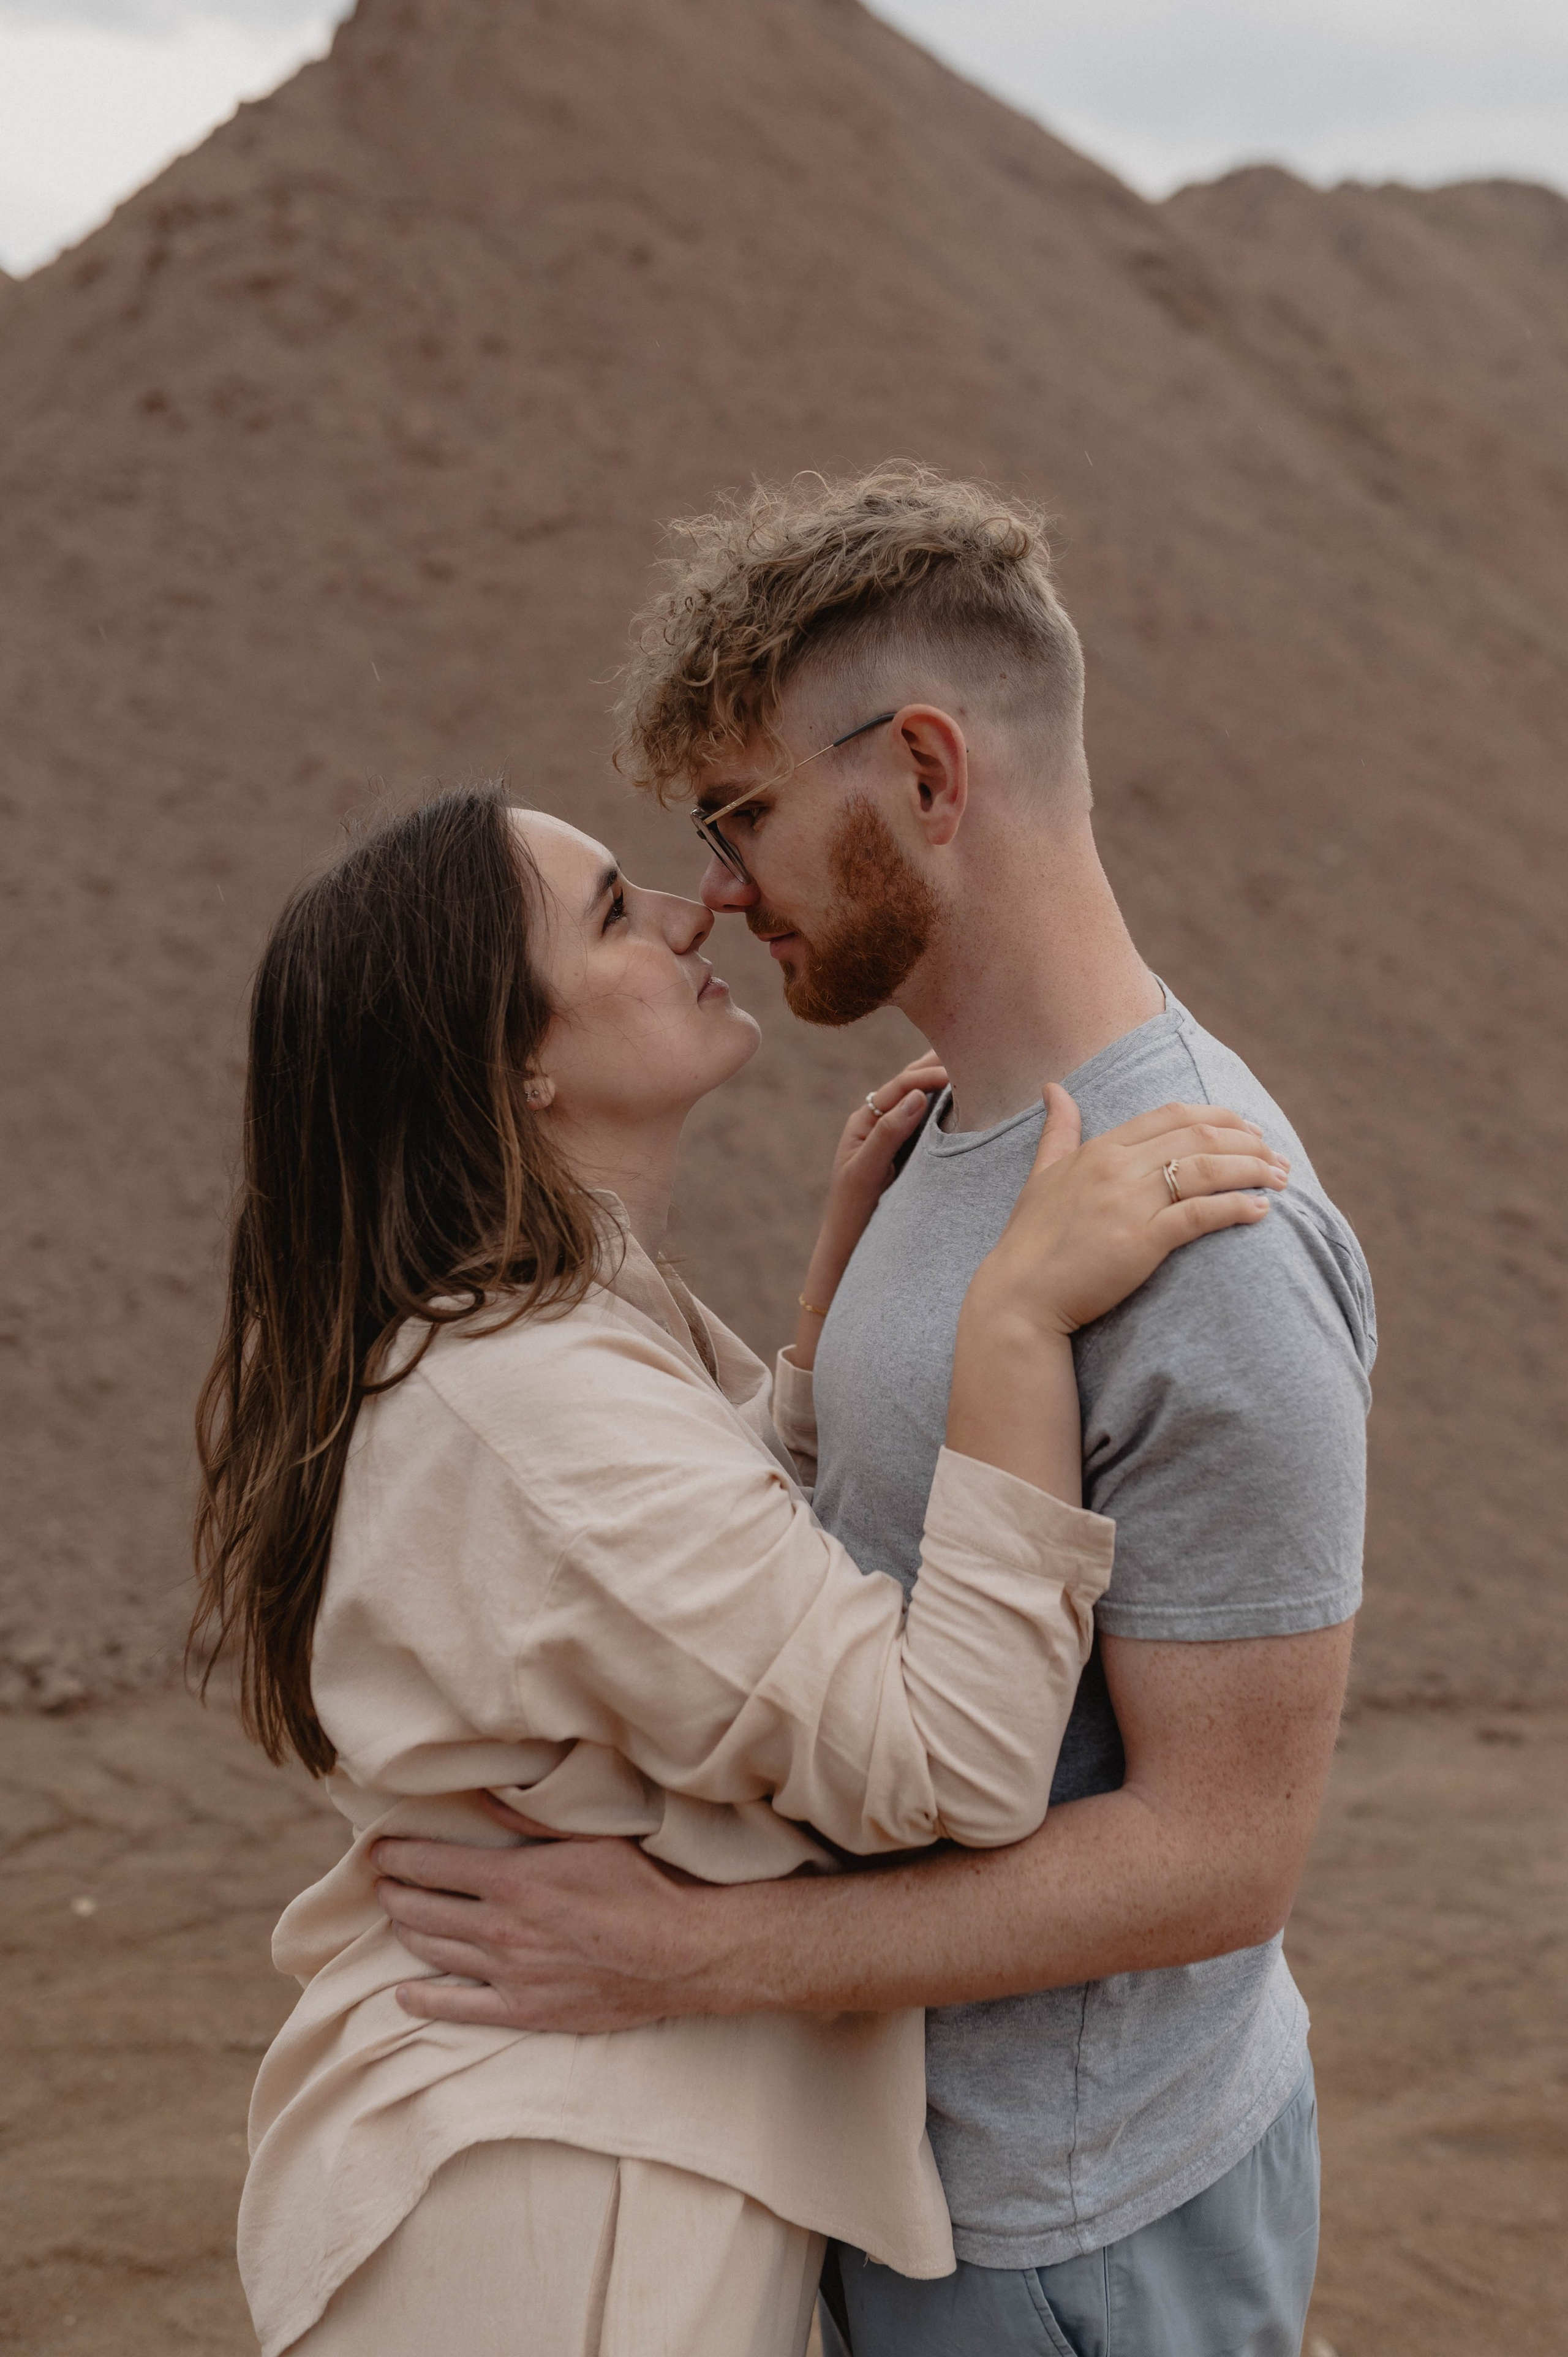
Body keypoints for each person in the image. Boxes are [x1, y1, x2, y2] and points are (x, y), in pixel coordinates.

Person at [372, 469, 1376, 2357]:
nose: (721, 889)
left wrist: (687, 1960)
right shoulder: (944, 1143)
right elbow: (831, 1574)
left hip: (1075, 2227)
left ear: (926, 774)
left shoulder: (1212, 1239)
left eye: (743, 814)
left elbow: (1225, 1856)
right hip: (925, 2192)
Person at [190, 780, 1282, 2357]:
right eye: (614, 914)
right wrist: (1013, 1326)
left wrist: (837, 1306)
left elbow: (678, 1602)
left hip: (597, 2150)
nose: (692, 906)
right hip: (557, 2205)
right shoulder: (534, 1401)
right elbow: (949, 1759)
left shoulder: (541, 1336)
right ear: (518, 1065)